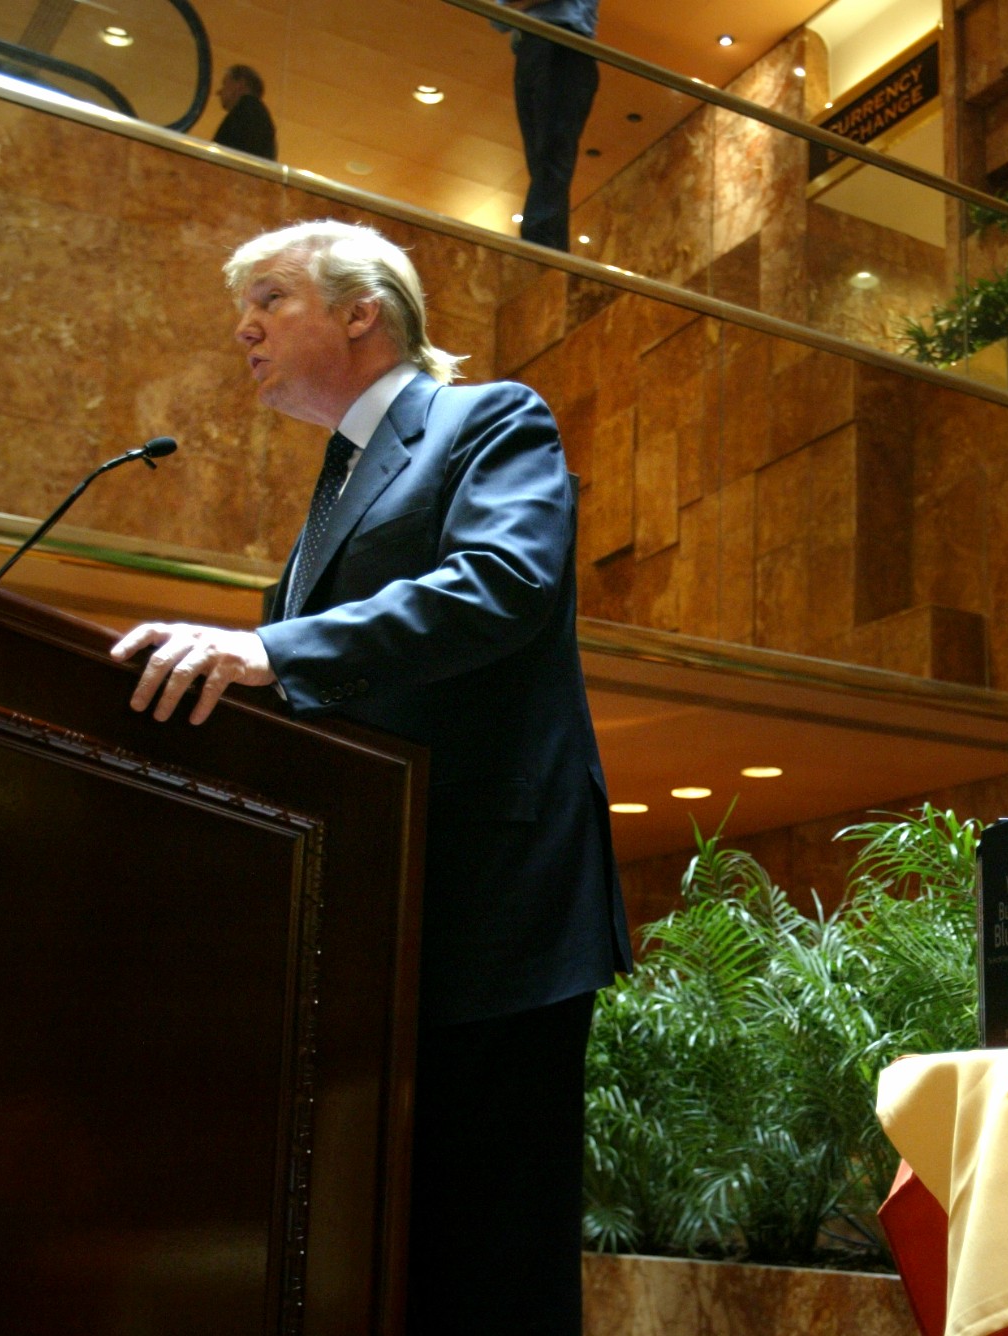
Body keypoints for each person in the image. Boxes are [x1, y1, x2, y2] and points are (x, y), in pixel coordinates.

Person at [110, 219, 631, 1334]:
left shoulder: (486, 418)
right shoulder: (332, 492)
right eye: (241, 306)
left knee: (492, 1266)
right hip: (374, 928)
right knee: (401, 1263)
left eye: (271, 297)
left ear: (363, 310)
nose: (244, 326)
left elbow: (502, 582)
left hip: (491, 915)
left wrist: (272, 650)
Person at [498, 0, 601, 251]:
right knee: (542, 159)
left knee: (552, 153)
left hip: (564, 44)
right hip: (531, 47)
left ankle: (540, 242)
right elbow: (497, 17)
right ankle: (551, 246)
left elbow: (503, 11)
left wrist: (515, 6)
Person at [211, 64, 277, 161]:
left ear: (240, 84)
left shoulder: (244, 111)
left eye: (225, 83)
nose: (219, 92)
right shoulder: (259, 114)